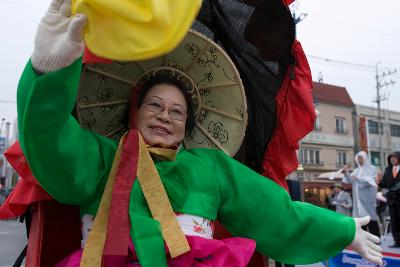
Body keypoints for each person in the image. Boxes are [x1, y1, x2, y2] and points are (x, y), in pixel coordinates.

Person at [13, 0, 383, 266]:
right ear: (135, 111)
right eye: (154, 105)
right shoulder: (100, 156)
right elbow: (49, 143)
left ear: (188, 123)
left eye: (177, 111)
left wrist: (340, 229)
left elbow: (274, 212)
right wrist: (49, 69)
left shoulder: (210, 167)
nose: (165, 117)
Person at [342, 151, 380, 238]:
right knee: (360, 219)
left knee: (371, 218)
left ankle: (376, 239)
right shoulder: (356, 170)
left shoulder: (372, 168)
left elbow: (369, 181)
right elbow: (350, 181)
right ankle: (363, 239)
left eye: (361, 158)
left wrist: (358, 179)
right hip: (357, 199)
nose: (359, 160)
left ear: (365, 158)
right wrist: (346, 173)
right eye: (358, 158)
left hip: (367, 198)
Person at [377, 151, 400, 247]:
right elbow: (384, 184)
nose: (392, 159)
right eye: (391, 158)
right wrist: (378, 181)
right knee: (394, 221)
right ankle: (397, 241)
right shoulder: (387, 169)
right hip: (391, 200)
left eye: (394, 157)